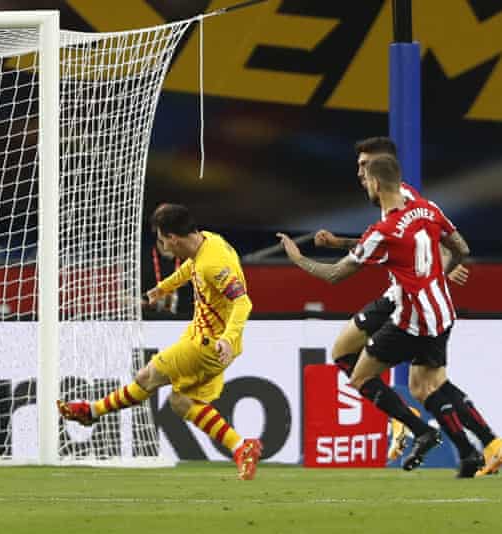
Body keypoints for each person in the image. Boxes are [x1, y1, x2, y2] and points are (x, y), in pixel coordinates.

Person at [278, 155, 485, 477]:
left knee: (360, 377)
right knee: (426, 387)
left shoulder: (383, 231)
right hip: (443, 313)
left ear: (375, 183)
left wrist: (297, 258)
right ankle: (469, 452)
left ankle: (420, 430)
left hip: (413, 321)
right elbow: (461, 248)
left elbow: (334, 275)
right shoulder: (429, 208)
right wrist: (437, 276)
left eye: (365, 179)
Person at [58, 203, 263, 480]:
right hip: (206, 338)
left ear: (173, 238)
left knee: (147, 377)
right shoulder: (208, 241)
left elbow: (242, 302)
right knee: (181, 402)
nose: (163, 246)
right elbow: (191, 268)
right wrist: (161, 289)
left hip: (208, 345)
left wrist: (227, 338)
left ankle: (91, 411)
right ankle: (241, 447)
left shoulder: (214, 264)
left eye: (162, 240)